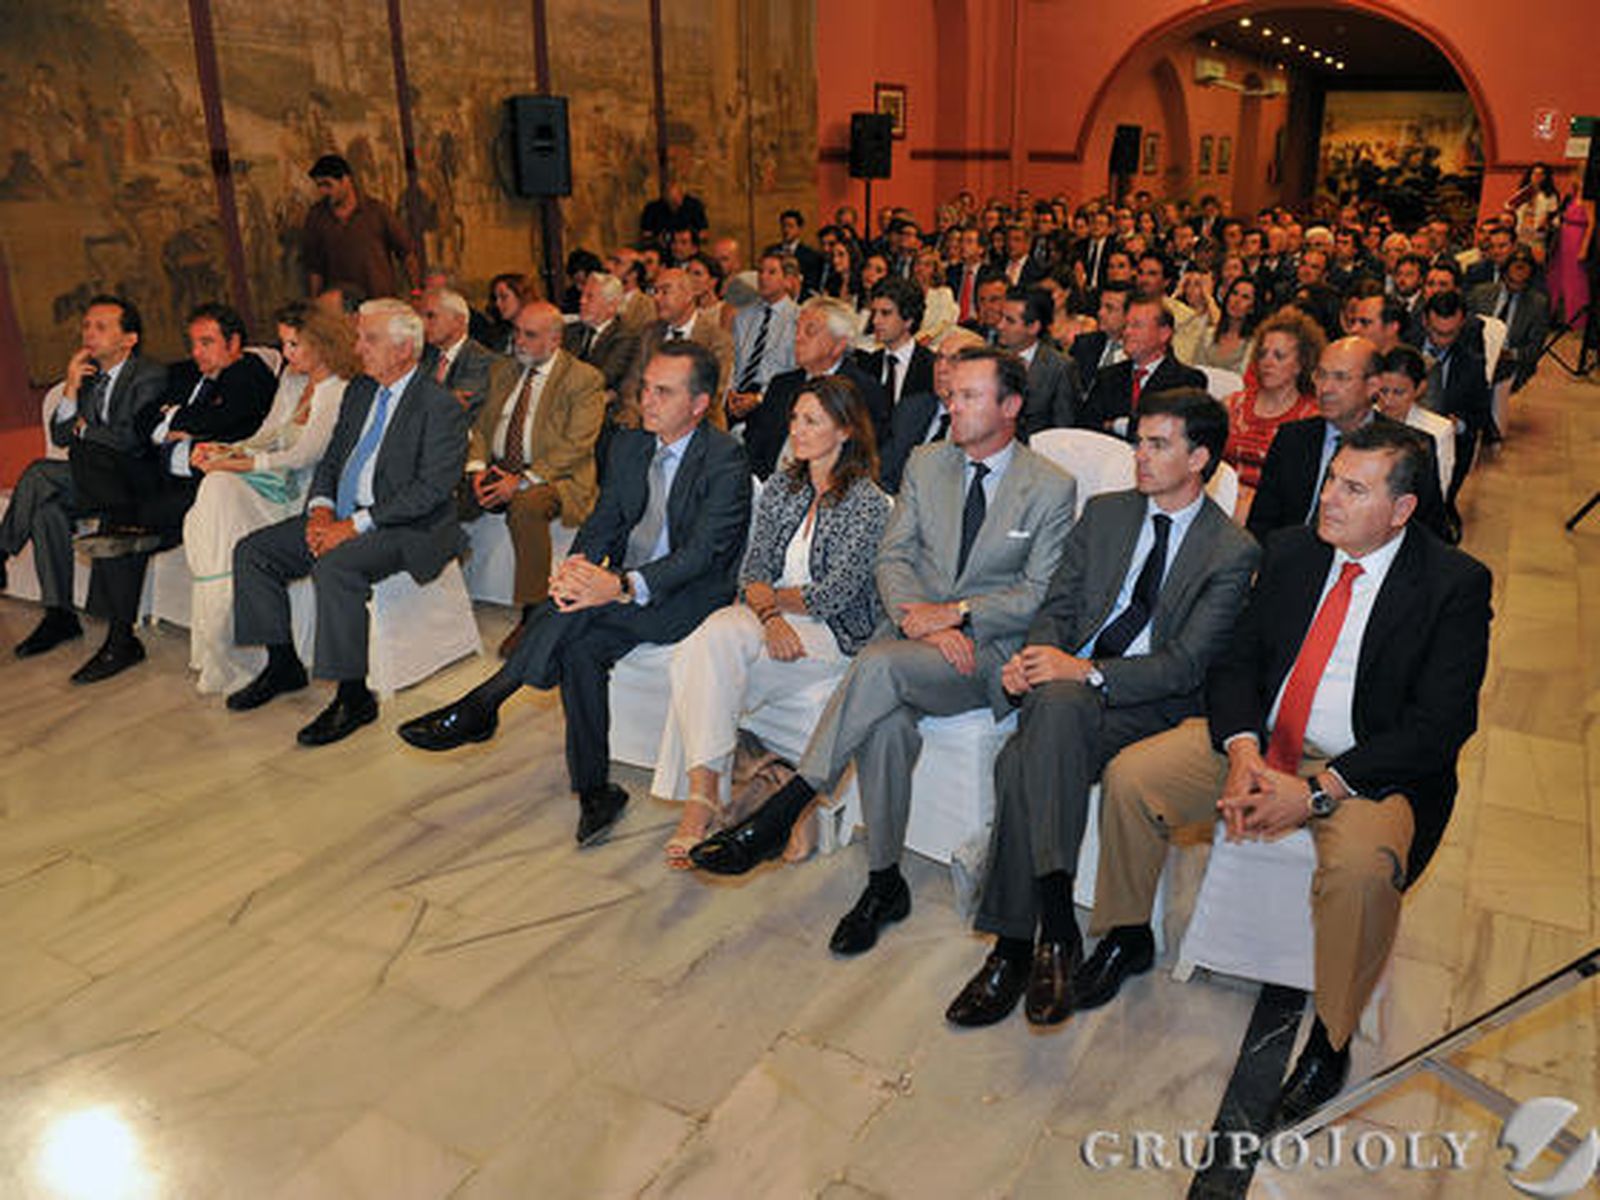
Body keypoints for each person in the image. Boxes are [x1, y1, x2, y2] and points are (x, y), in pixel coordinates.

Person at [1083, 422, 1492, 1127]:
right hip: (1263, 740)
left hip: (1364, 769)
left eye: (1354, 489)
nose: (1329, 497)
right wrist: (1242, 752)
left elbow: (1439, 727)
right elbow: (1237, 662)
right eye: (1334, 478)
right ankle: (1126, 932)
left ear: (1401, 510)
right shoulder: (1294, 551)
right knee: (1131, 778)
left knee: (1362, 872)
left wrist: (1316, 791)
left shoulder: (1452, 584)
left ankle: (1329, 1040)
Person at [689, 349, 1078, 960]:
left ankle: (787, 807)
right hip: (911, 638)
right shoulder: (927, 463)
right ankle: (883, 883)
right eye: (952, 394)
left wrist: (957, 615)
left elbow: (1037, 594)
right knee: (884, 725)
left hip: (983, 656)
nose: (952, 404)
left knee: (874, 667)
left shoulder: (1050, 486)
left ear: (1010, 407)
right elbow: (893, 560)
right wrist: (919, 622)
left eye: (970, 396)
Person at [945, 390, 1259, 1027]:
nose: (1138, 456)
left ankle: (1015, 945)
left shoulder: (1232, 551)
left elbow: (1186, 665)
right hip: (1066, 695)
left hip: (1150, 706)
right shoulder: (1107, 515)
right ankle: (1050, 929)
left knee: (1018, 764)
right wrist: (1034, 658)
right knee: (1049, 715)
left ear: (1199, 457)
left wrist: (1079, 671)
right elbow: (1056, 609)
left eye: (1158, 444)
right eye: (1139, 440)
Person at [397, 342, 752, 847]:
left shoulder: (725, 459)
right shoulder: (630, 444)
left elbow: (705, 555)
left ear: (698, 405)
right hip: (627, 582)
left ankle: (487, 701)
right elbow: (605, 521)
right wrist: (580, 567)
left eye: (664, 392)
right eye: (646, 387)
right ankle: (594, 791)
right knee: (580, 645)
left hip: (689, 597)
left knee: (573, 618)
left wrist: (623, 585)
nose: (647, 401)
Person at [654, 376, 891, 867]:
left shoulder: (867, 502)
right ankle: (709, 793)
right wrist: (768, 615)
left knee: (710, 643)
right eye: (795, 419)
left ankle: (705, 801)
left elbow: (836, 594)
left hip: (834, 635)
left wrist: (768, 605)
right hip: (767, 625)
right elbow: (751, 570)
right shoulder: (784, 487)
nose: (798, 431)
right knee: (705, 648)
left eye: (812, 422)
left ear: (845, 430)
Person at [227, 299, 467, 745]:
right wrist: (320, 506)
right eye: (359, 337)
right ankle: (282, 664)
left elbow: (430, 491)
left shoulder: (439, 406)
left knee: (335, 568)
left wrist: (353, 525)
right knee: (255, 552)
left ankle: (354, 697)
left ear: (403, 349)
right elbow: (334, 457)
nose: (358, 348)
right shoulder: (360, 392)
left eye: (368, 339)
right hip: (339, 515)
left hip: (406, 527)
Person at [69, 302, 276, 684]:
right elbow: (145, 417)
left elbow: (225, 418)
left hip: (209, 486)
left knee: (120, 525)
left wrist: (175, 419)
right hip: (161, 478)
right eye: (193, 342)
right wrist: (171, 421)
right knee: (89, 451)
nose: (196, 352)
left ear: (234, 343)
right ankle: (120, 527)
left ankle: (120, 641)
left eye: (207, 342)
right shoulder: (185, 373)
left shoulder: (249, 373)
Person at [182, 304, 356, 695]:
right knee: (215, 489)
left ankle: (235, 646)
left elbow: (305, 456)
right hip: (271, 481)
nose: (287, 354)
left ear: (323, 343)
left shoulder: (339, 390)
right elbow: (265, 434)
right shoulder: (293, 382)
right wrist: (224, 450)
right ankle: (220, 641)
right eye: (284, 343)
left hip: (305, 495)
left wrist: (242, 464)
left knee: (220, 490)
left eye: (295, 344)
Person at [0, 295, 166, 659]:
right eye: (87, 325)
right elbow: (61, 436)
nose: (89, 333)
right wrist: (72, 387)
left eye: (101, 327)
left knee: (40, 472)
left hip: (131, 484)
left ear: (129, 339)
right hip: (90, 480)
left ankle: (0, 552)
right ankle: (59, 615)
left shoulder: (149, 374)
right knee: (47, 512)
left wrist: (86, 430)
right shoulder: (90, 379)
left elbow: (133, 438)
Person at [463, 301, 607, 657]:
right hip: (499, 467)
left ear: (555, 339)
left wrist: (524, 479)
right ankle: (444, 588)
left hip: (557, 478)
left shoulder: (583, 379)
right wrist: (477, 468)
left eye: (530, 335)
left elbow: (577, 445)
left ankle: (532, 615)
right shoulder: (503, 371)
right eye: (516, 333)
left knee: (526, 506)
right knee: (448, 494)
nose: (519, 342)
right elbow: (481, 427)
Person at [1246, 336, 1452, 545]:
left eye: (1341, 377)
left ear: (1373, 385)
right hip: (1294, 560)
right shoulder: (1293, 438)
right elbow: (1261, 525)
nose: (1325, 388)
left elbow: (1432, 537)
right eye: (1321, 375)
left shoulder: (1410, 448)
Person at [742, 297, 890, 480]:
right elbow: (755, 445)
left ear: (839, 345)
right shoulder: (781, 385)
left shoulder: (863, 392)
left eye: (810, 331)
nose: (798, 337)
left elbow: (859, 459)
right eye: (797, 329)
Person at [1222, 309, 1324, 493]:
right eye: (1262, 354)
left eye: (1279, 356)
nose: (1267, 362)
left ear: (1301, 364)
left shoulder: (1311, 419)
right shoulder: (1232, 405)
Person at [1079, 296, 1205, 438]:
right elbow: (1086, 426)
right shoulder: (1108, 376)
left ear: (1164, 334)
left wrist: (1115, 425)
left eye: (1136, 325)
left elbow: (1169, 435)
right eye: (1126, 325)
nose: (1127, 332)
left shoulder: (1188, 382)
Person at [878, 326, 983, 495]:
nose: (941, 368)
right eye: (939, 358)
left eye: (954, 360)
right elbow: (884, 473)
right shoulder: (911, 409)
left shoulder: (983, 423)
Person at [301, 154, 417, 300]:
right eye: (319, 186)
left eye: (327, 185)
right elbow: (314, 267)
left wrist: (416, 292)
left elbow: (407, 252)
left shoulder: (377, 211)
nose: (323, 191)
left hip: (378, 301)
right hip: (341, 306)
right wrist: (315, 302)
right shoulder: (316, 217)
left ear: (346, 180)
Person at [628, 268, 734, 425]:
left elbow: (712, 395)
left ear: (689, 295)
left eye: (665, 291)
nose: (657, 298)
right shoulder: (650, 333)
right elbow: (633, 384)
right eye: (655, 291)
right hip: (647, 421)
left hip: (698, 426)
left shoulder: (716, 338)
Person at [563, 272, 643, 461]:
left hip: (604, 416)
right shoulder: (572, 332)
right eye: (582, 295)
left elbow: (601, 377)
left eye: (590, 297)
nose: (581, 301)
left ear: (612, 306)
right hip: (568, 407)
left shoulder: (625, 336)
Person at [725, 252, 800, 422]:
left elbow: (795, 372)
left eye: (771, 272)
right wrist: (729, 391)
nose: (763, 278)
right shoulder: (744, 315)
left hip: (773, 400)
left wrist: (760, 397)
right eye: (760, 271)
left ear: (787, 280)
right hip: (737, 395)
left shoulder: (798, 318)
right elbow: (733, 359)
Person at [1372, 345, 1455, 497]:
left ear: (1420, 389)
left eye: (1398, 393)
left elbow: (1437, 492)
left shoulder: (1438, 431)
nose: (1388, 401)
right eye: (1383, 391)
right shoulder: (1364, 417)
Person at [996, 285, 1079, 434]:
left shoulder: (1059, 368)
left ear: (1033, 327)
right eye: (1001, 317)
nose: (1000, 325)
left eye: (1010, 321)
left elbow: (1063, 429)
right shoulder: (990, 358)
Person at [858, 276, 935, 412]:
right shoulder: (866, 365)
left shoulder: (931, 367)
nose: (875, 321)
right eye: (874, 312)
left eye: (885, 313)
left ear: (908, 320)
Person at [418, 288, 497, 418]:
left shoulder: (480, 358)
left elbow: (455, 408)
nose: (423, 324)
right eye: (421, 317)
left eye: (431, 316)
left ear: (459, 320)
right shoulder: (426, 355)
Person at [1546, 181, 1594, 326]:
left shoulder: (1589, 200)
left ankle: (1576, 319)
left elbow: (1592, 223)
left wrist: (1584, 248)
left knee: (1575, 279)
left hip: (1577, 239)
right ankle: (1553, 314)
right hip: (1564, 238)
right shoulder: (1570, 197)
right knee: (1556, 276)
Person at [1190, 275, 1259, 373]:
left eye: (1245, 297)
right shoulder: (1208, 335)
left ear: (1252, 308)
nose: (1237, 301)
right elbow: (1195, 370)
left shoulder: (1254, 344)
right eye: (1234, 293)